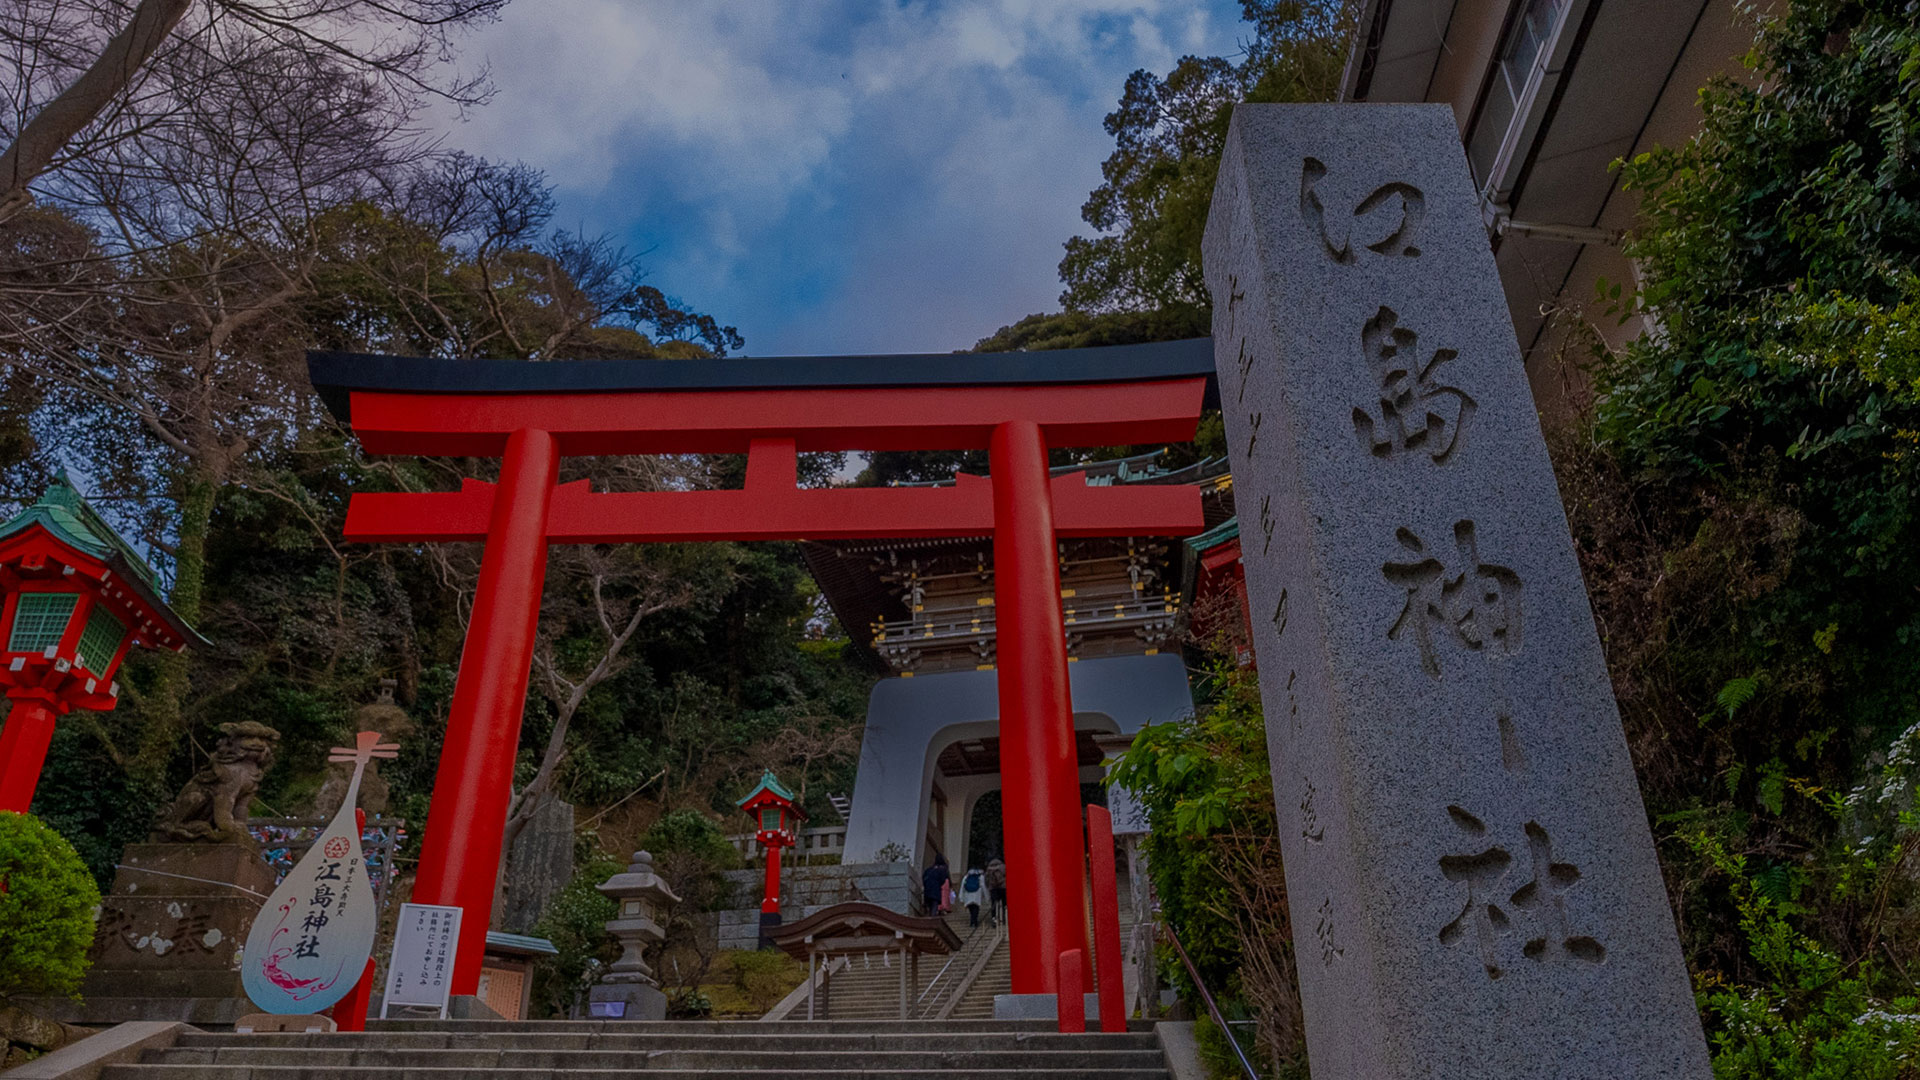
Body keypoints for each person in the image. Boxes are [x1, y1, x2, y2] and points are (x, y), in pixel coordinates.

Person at [985, 855, 1007, 927]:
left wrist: (988, 886)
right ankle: (1004, 917)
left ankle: (994, 918)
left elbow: (986, 879)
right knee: (1004, 904)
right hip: (1003, 887)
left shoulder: (989, 868)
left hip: (993, 888)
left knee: (994, 904)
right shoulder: (1003, 867)